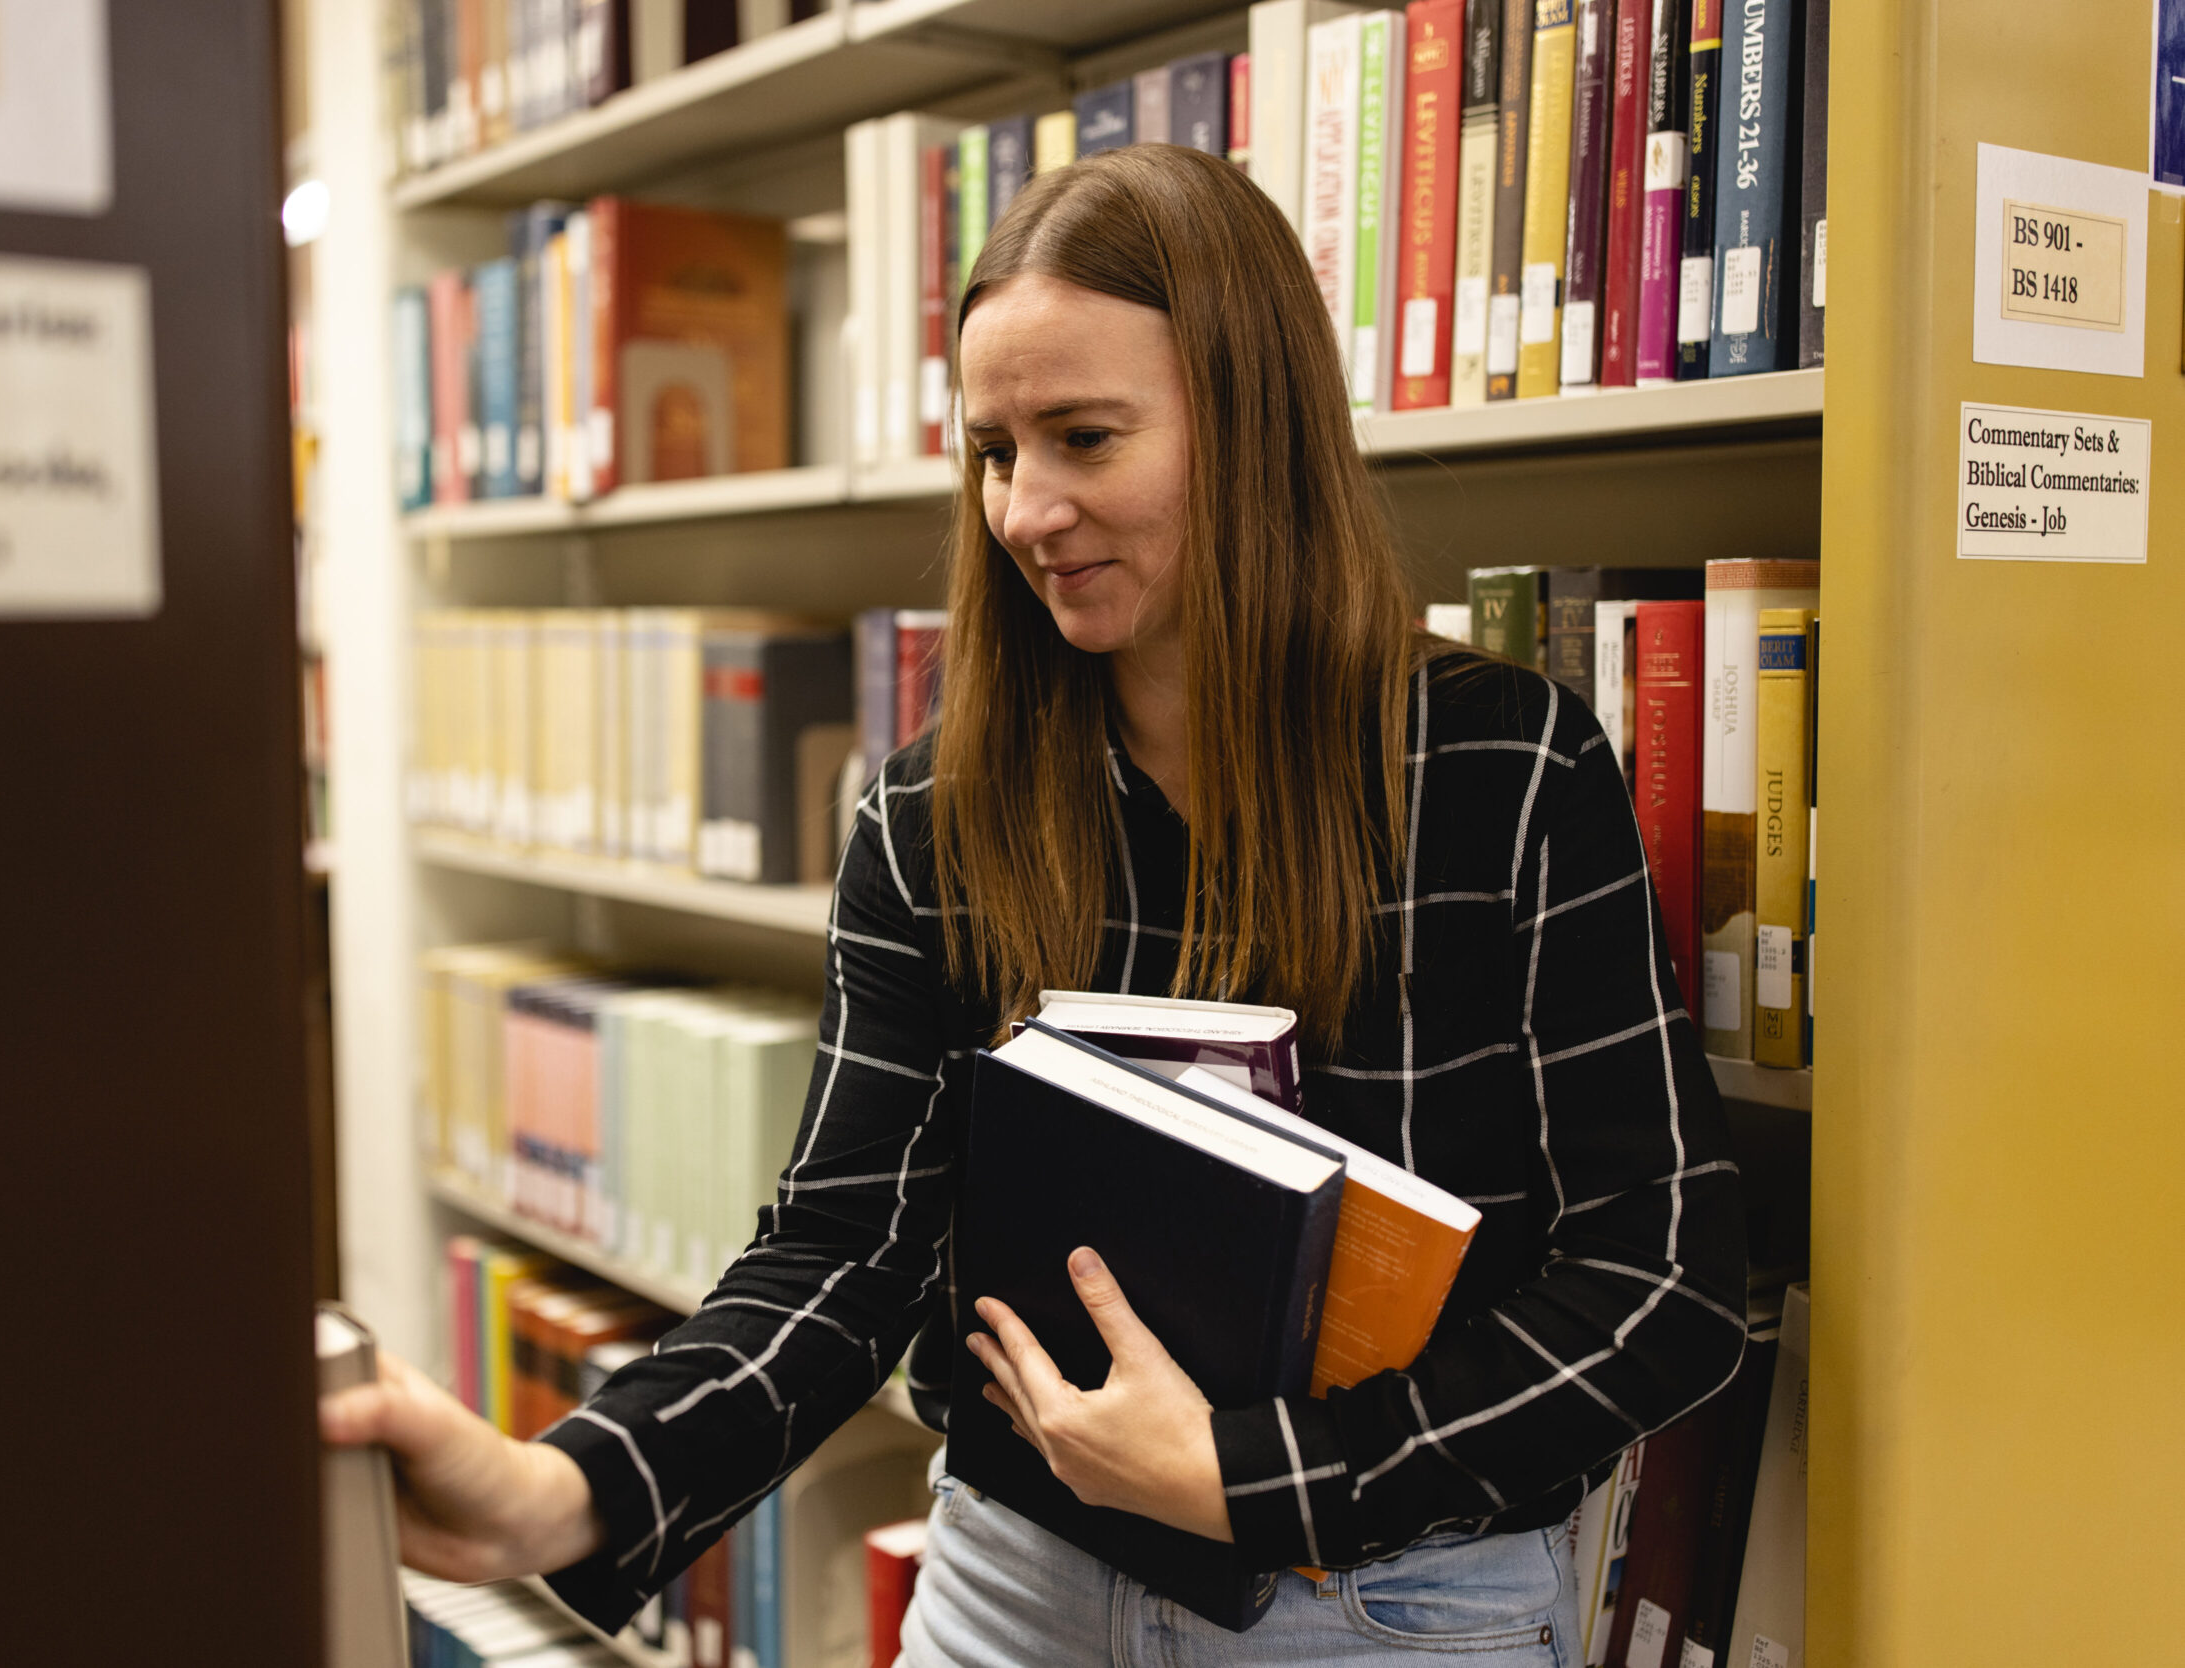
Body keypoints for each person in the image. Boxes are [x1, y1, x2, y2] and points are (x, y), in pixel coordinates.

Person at [323, 144, 1747, 1666]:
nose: (1026, 511)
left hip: (1383, 1604)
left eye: (1085, 437)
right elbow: (844, 1250)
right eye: (996, 451)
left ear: (1254, 428)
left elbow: (1660, 1277)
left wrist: (1262, 1481)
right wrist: (563, 1489)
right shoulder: (932, 812)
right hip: (1014, 1587)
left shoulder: (1504, 769)